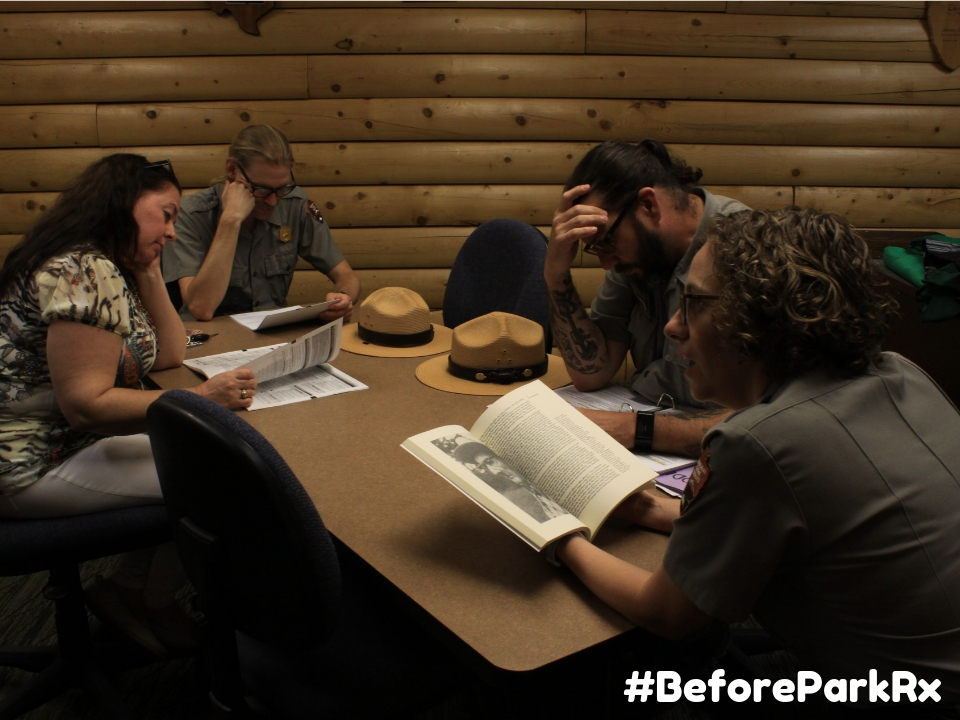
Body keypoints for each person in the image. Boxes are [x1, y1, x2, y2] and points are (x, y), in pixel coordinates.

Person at [554, 208, 960, 710]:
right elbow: (815, 514)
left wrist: (556, 535)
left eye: (694, 303)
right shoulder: (900, 371)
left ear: (758, 315)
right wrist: (650, 510)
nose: (674, 327)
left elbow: (664, 613)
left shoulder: (756, 443)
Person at [0, 154, 258, 657]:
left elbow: (170, 353)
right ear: (122, 201)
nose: (173, 232)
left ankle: (131, 593)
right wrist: (200, 397)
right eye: (165, 214)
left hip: (58, 442)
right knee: (225, 478)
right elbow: (87, 407)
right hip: (26, 461)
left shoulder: (103, 262)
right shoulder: (84, 268)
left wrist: (152, 270)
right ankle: (151, 598)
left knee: (200, 452)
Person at [544, 140, 750, 458]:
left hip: (719, 459)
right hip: (651, 445)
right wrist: (556, 275)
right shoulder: (640, 260)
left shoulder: (748, 251)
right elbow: (591, 373)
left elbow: (776, 415)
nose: (607, 263)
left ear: (649, 206)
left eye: (606, 241)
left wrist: (634, 429)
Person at [163, 124, 360, 322]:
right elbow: (200, 308)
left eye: (281, 189)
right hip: (210, 339)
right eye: (261, 189)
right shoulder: (189, 215)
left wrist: (342, 297)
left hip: (270, 338)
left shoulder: (295, 204)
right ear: (232, 169)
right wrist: (230, 220)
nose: (273, 201)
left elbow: (347, 277)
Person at [453, 442, 566, 524]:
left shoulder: (552, 483)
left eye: (489, 462)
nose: (494, 472)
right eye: (483, 466)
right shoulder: (533, 490)